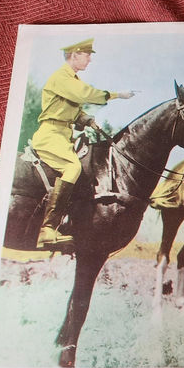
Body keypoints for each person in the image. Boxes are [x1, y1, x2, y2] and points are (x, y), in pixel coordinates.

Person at [32, 38, 134, 249]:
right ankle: (48, 229)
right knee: (72, 168)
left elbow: (67, 108)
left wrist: (86, 119)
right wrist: (117, 95)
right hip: (50, 135)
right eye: (87, 55)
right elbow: (85, 94)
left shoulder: (71, 79)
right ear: (75, 54)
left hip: (63, 133)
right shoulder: (62, 77)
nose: (89, 60)